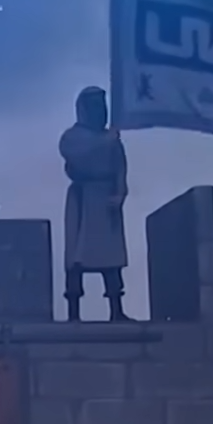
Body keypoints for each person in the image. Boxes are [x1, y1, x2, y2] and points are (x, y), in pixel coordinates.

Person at [59, 85, 132, 323]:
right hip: (83, 198)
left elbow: (120, 168)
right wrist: (105, 141)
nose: (99, 111)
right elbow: (75, 155)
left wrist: (119, 194)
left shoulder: (112, 139)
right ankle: (74, 312)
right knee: (76, 257)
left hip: (105, 198)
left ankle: (116, 309)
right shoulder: (72, 136)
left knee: (111, 257)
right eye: (93, 106)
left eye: (101, 106)